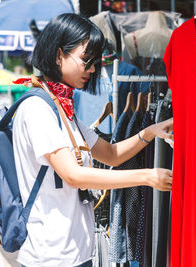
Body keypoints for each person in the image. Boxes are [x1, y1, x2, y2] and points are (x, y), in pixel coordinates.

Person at [12, 13, 173, 267]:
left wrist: (150, 131)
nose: (93, 69)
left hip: (75, 252)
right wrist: (147, 176)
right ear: (58, 55)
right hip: (50, 256)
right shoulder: (37, 109)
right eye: (86, 60)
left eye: (94, 61)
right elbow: (74, 175)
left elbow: (110, 154)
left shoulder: (63, 109)